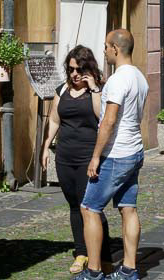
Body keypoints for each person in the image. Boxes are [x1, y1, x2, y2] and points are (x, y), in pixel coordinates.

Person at [79, 28, 149, 280]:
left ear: (116, 49)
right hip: (134, 151)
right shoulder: (139, 77)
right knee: (128, 207)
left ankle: (94, 271)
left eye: (106, 46)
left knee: (89, 208)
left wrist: (96, 156)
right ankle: (129, 270)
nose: (104, 50)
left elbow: (108, 121)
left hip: (116, 154)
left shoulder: (119, 79)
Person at [41, 46, 112, 275]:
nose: (74, 74)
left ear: (88, 69)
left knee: (90, 207)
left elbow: (101, 116)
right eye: (71, 69)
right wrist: (45, 147)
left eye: (79, 69)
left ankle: (103, 254)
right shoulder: (62, 90)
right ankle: (81, 252)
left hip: (88, 157)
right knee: (74, 205)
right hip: (64, 156)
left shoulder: (97, 91)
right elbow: (54, 120)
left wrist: (92, 88)